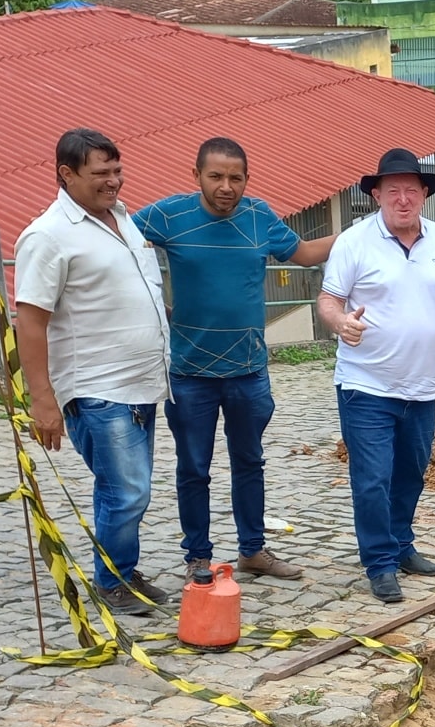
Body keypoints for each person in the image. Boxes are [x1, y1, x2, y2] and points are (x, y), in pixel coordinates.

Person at [132, 138, 335, 587]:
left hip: (249, 372)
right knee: (193, 468)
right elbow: (118, 243)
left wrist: (367, 232)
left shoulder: (259, 216)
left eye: (235, 178)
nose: (226, 187)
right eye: (216, 177)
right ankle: (197, 557)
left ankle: (253, 551)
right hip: (190, 374)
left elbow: (302, 254)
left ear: (247, 179)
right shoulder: (168, 216)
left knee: (250, 461)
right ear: (197, 176)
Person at [316, 147, 435, 604]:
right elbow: (328, 302)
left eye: (412, 191)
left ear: (424, 196)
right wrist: (340, 324)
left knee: (411, 473)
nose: (403, 199)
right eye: (393, 191)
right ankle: (379, 563)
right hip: (365, 383)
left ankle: (401, 544)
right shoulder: (354, 242)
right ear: (376, 194)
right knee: (372, 477)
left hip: (422, 386)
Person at [14, 128, 172, 617]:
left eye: (117, 171)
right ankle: (112, 580)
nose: (113, 182)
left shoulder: (125, 221)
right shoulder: (48, 235)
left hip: (141, 382)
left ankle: (122, 570)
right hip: (97, 386)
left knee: (130, 488)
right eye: (100, 174)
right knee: (126, 489)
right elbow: (30, 320)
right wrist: (42, 399)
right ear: (66, 174)